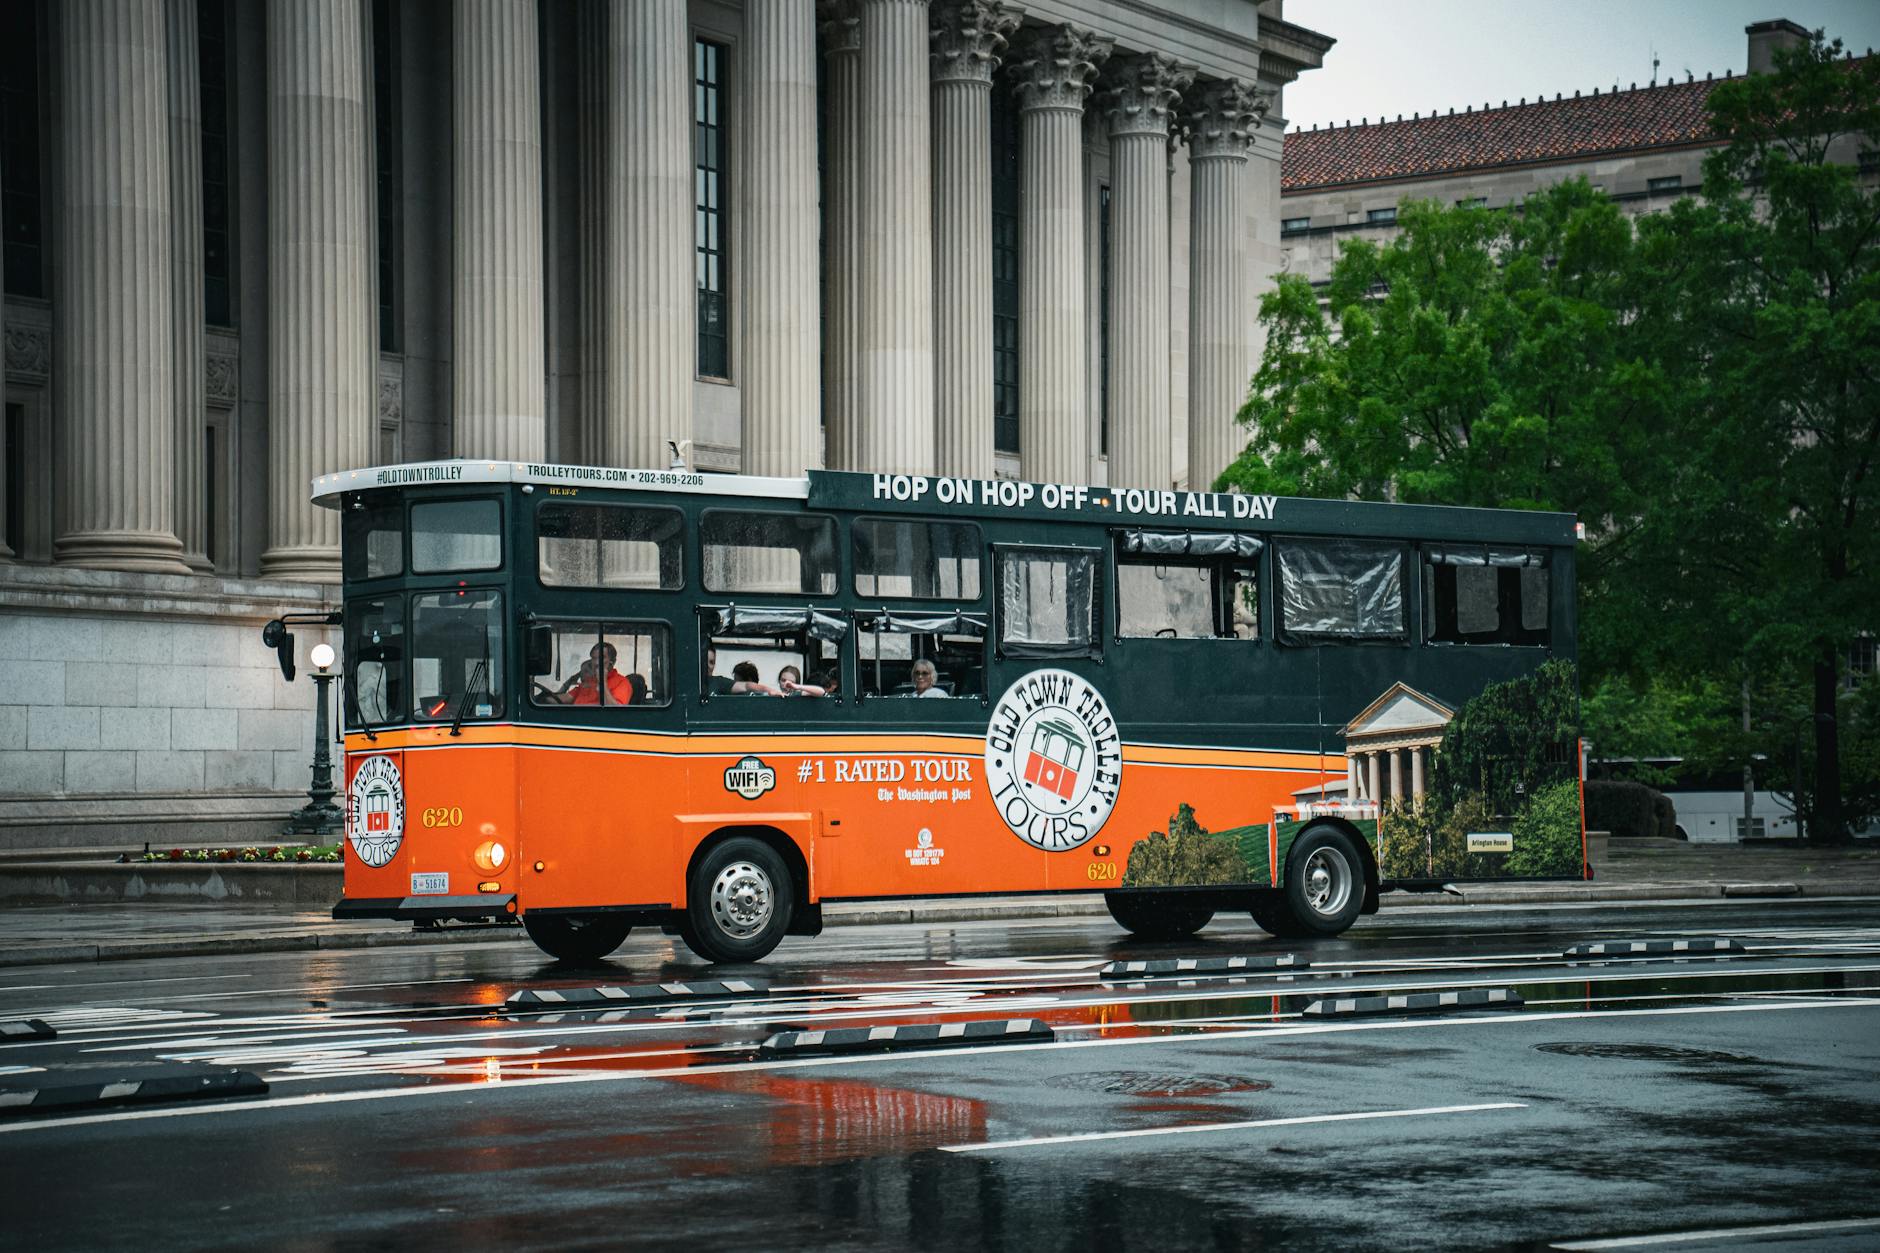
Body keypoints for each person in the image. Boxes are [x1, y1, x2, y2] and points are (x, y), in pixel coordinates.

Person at [536, 642, 633, 706]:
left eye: (601, 658)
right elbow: (566, 698)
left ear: (612, 661)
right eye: (594, 658)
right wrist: (539, 699)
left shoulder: (622, 683)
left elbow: (614, 711)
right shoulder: (589, 681)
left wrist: (602, 683)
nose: (596, 663)